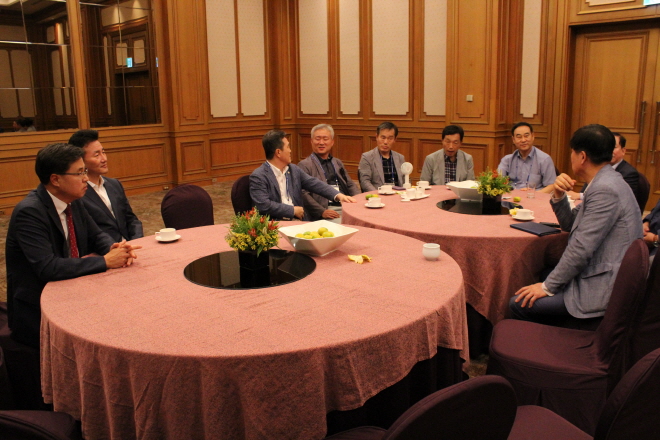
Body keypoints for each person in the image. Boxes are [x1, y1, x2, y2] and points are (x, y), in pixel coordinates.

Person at [6, 143, 140, 349]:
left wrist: (114, 248)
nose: (86, 178)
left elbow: (96, 235)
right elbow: (47, 267)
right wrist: (105, 261)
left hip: (71, 288)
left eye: (85, 171)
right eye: (79, 173)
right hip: (39, 309)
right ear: (55, 179)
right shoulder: (30, 212)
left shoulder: (73, 200)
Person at [510, 124, 643, 324]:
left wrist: (547, 287)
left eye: (572, 152)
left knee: (517, 303)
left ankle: (556, 340)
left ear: (582, 156)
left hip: (602, 287)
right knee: (539, 271)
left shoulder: (605, 189)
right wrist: (558, 195)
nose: (570, 157)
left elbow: (581, 249)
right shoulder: (603, 180)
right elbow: (570, 224)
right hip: (600, 269)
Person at [250, 130, 356, 221]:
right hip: (274, 224)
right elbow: (264, 205)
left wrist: (338, 195)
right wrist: (292, 210)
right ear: (278, 152)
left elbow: (315, 184)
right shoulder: (259, 176)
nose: (290, 150)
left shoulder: (293, 169)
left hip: (299, 220)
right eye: (288, 147)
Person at [68, 129, 143, 242]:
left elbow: (131, 219)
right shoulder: (77, 193)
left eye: (103, 152)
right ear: (81, 161)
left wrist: (136, 241)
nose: (104, 159)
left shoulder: (114, 184)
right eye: (97, 155)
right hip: (106, 249)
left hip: (131, 245)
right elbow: (88, 234)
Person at [297, 124, 360, 221]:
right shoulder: (304, 165)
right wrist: (321, 211)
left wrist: (359, 200)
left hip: (345, 205)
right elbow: (303, 194)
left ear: (332, 142)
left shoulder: (337, 162)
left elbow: (350, 184)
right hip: (326, 209)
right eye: (318, 139)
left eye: (325, 139)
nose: (321, 142)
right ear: (311, 141)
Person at [568, 132, 639, 200]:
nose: (610, 151)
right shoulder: (597, 166)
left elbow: (613, 198)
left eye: (614, 147)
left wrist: (579, 196)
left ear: (623, 151)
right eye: (607, 148)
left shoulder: (629, 173)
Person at [497, 122, 556, 193]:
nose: (523, 140)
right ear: (513, 140)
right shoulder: (507, 160)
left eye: (526, 136)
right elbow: (498, 182)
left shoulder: (544, 159)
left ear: (533, 136)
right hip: (511, 197)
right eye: (519, 137)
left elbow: (551, 186)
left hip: (534, 197)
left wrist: (533, 194)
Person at [358, 122, 405, 191]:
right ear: (377, 137)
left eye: (390, 138)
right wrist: (377, 194)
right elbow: (365, 182)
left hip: (398, 194)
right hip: (378, 194)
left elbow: (405, 181)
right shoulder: (367, 157)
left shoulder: (400, 158)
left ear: (395, 139)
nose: (385, 142)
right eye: (383, 138)